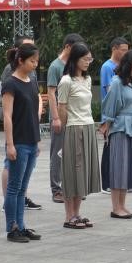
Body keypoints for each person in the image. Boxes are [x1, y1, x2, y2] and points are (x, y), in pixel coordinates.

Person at [57, 42, 101, 229]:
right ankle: (69, 216)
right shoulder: (66, 81)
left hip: (88, 126)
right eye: (85, 59)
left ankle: (77, 213)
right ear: (75, 59)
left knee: (83, 172)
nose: (88, 62)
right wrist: (67, 128)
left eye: (90, 59)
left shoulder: (87, 79)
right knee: (72, 172)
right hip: (74, 128)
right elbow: (62, 107)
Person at [2, 43, 42, 243]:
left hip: (31, 140)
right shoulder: (10, 83)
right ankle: (12, 228)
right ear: (20, 61)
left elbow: (33, 114)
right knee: (14, 187)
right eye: (32, 61)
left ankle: (21, 225)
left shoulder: (31, 82)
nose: (35, 64)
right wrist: (10, 144)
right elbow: (7, 116)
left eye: (36, 61)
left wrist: (37, 140)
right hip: (18, 141)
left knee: (22, 188)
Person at [101, 49, 132, 218]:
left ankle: (122, 205)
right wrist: (106, 127)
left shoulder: (131, 84)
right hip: (120, 128)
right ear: (128, 65)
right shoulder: (116, 83)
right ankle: (116, 208)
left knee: (127, 168)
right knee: (118, 167)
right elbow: (109, 107)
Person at [47, 33, 86, 204]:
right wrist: (56, 118)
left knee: (74, 154)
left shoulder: (74, 66)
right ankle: (56, 189)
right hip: (60, 117)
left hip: (75, 117)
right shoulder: (55, 66)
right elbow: (51, 93)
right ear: (68, 47)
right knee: (58, 154)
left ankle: (72, 188)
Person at [100, 36, 130, 193]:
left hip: (120, 115)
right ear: (114, 49)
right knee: (108, 149)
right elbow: (108, 92)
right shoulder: (107, 67)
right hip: (110, 114)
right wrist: (106, 119)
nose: (125, 53)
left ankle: (116, 180)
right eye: (123, 50)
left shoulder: (122, 66)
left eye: (127, 50)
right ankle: (106, 183)